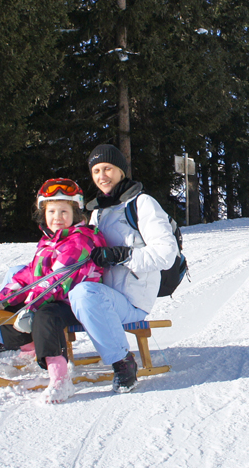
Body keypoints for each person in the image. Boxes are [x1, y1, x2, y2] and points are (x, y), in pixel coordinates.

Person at [0, 178, 108, 403]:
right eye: (51, 212)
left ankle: (60, 379)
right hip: (50, 298)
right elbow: (31, 274)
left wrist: (32, 308)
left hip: (75, 301)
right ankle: (31, 348)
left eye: (63, 212)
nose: (57, 218)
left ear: (76, 214)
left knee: (44, 317)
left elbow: (57, 281)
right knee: (12, 309)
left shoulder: (79, 241)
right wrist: (5, 298)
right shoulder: (48, 241)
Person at [81, 144, 181, 394]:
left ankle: (122, 362)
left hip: (132, 303)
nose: (101, 176)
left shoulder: (142, 204)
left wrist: (124, 255)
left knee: (84, 294)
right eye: (96, 171)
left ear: (121, 171)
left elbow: (166, 255)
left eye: (107, 169)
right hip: (103, 299)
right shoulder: (98, 212)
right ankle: (14, 342)